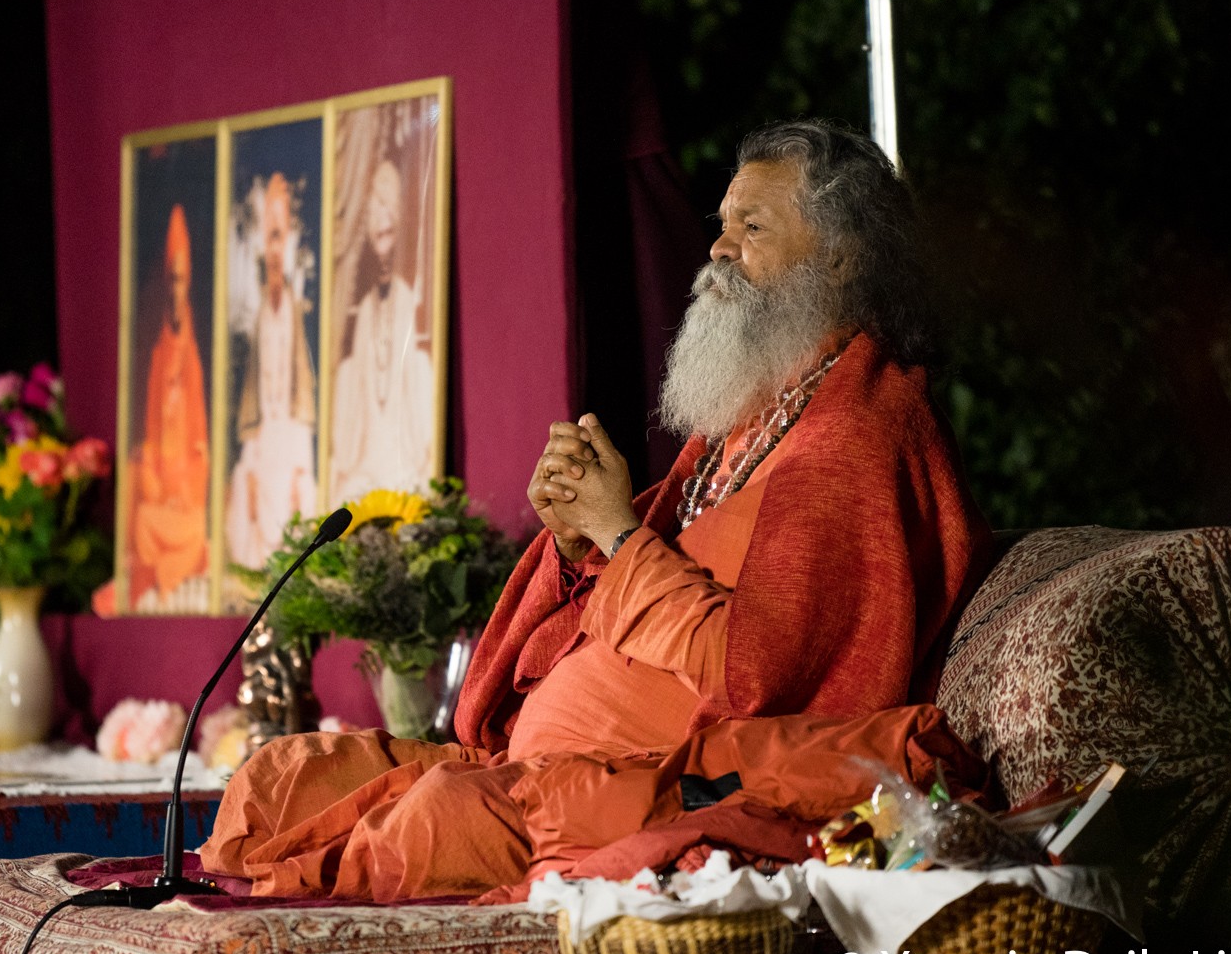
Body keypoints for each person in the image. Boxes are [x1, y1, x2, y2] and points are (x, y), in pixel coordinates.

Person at [199, 120, 994, 900]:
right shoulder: (755, 418)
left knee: (429, 822)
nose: (719, 249)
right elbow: (620, 596)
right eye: (722, 226)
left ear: (844, 254)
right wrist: (578, 540)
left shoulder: (855, 437)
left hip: (651, 786)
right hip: (530, 771)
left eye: (752, 228)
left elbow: (761, 681)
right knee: (274, 781)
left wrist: (618, 532)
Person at [328, 158, 436, 503]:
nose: (381, 218)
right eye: (374, 208)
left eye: (386, 205)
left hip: (403, 459)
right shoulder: (365, 310)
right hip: (366, 460)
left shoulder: (409, 302)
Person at [226, 173, 318, 569]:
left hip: (291, 433)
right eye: (268, 238)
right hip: (264, 438)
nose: (274, 249)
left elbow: (302, 387)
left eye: (279, 237)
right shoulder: (256, 310)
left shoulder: (299, 309)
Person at [130, 204, 211, 607]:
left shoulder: (191, 356)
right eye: (170, 281)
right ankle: (155, 585)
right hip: (161, 493)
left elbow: (200, 444)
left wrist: (185, 492)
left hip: (187, 500)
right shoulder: (159, 355)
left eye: (181, 281)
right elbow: (149, 431)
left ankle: (168, 579)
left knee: (197, 529)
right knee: (143, 520)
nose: (175, 292)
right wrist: (156, 482)